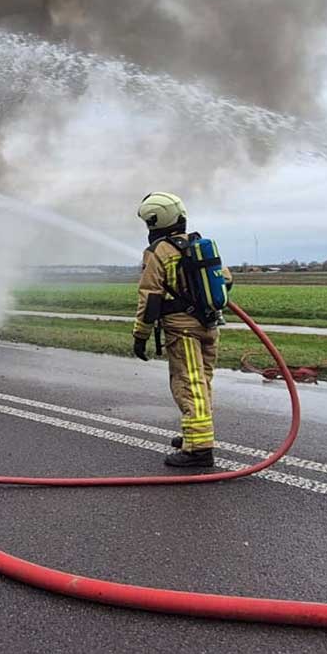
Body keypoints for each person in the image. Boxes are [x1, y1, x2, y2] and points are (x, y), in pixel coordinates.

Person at [131, 191, 222, 468]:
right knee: (201, 381)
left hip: (182, 330)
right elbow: (225, 279)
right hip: (209, 325)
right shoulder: (198, 244)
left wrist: (140, 335)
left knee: (188, 383)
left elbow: (150, 297)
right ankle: (194, 437)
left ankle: (199, 450)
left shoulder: (159, 252)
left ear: (154, 220)